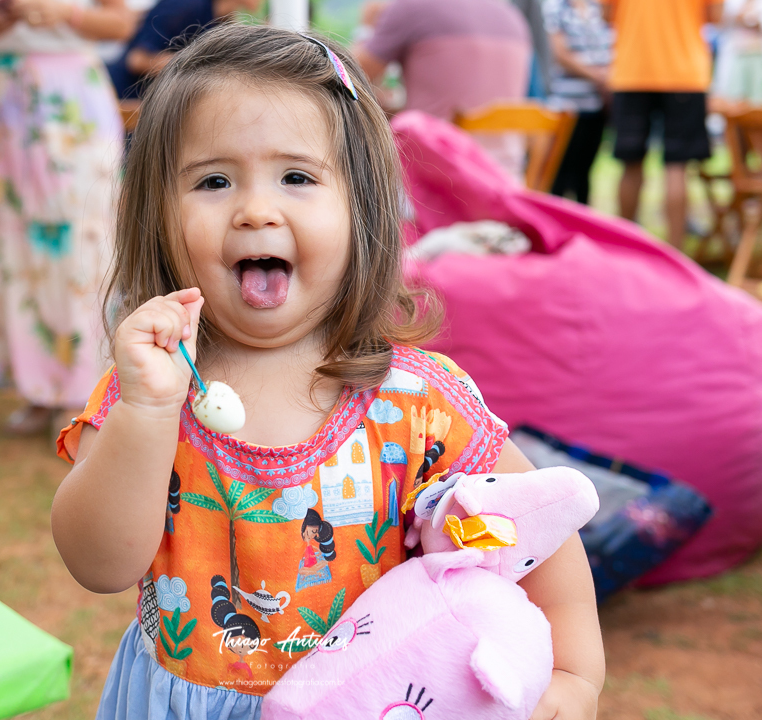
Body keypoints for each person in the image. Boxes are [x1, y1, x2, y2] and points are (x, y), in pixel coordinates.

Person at [52, 24, 604, 720]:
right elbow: (97, 565)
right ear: (158, 217)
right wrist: (147, 414)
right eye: (214, 181)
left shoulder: (420, 403)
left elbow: (530, 529)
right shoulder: (153, 387)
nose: (256, 209)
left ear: (361, 210)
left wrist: (574, 673)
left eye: (297, 177)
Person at [0, 0, 135, 435]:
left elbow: (121, 24)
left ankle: (86, 389)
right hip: (2, 106)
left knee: (80, 246)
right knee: (10, 246)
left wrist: (62, 14)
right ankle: (35, 387)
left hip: (70, 103)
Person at [353, 0, 533, 179]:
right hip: (507, 180)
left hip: (433, 183)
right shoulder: (515, 19)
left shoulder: (411, 7)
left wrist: (367, 29)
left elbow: (347, 76)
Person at [600, 0, 724, 251]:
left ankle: (623, 249)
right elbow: (715, 16)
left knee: (630, 164)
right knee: (676, 167)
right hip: (684, 72)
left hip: (633, 68)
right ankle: (675, 254)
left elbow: (605, 14)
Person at [106, 0, 262, 101]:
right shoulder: (186, 5)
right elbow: (136, 59)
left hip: (156, 105)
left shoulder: (224, 21)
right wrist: (197, 62)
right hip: (122, 99)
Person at [543, 0, 614, 205]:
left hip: (596, 104)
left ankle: (582, 226)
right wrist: (597, 76)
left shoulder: (597, 7)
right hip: (567, 105)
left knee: (584, 173)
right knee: (561, 172)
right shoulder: (556, 7)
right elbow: (560, 53)